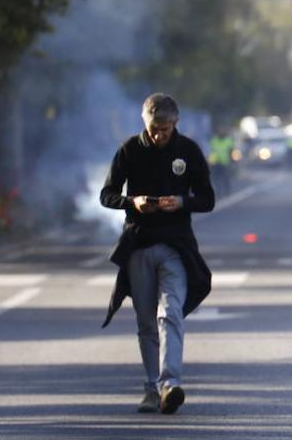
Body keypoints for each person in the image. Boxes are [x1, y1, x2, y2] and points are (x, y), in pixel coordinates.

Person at [100, 93, 215, 415]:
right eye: (153, 128)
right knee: (146, 322)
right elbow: (107, 194)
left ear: (175, 123)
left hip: (175, 246)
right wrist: (131, 203)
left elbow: (207, 198)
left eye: (164, 128)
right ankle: (150, 389)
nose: (158, 134)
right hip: (138, 245)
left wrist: (182, 202)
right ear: (144, 122)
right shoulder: (129, 150)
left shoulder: (188, 150)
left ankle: (170, 384)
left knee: (171, 313)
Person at [207, 128, 235, 197]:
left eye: (222, 131)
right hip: (215, 162)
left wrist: (232, 160)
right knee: (216, 178)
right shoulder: (213, 141)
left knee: (225, 178)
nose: (221, 132)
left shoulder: (228, 140)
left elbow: (231, 151)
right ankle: (218, 191)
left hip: (225, 162)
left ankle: (227, 191)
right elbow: (210, 151)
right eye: (220, 131)